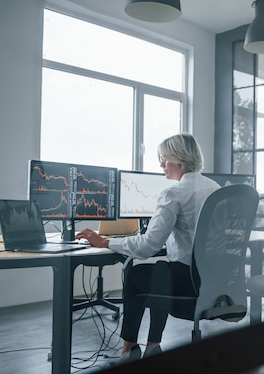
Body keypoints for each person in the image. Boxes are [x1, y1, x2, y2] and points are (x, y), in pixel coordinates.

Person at [75, 133, 220, 362]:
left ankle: (129, 350)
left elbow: (147, 246)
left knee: (136, 272)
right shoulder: (216, 188)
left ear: (179, 159)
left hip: (189, 286)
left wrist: (105, 242)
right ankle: (152, 347)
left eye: (164, 159)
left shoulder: (174, 193)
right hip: (216, 284)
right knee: (161, 270)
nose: (161, 165)